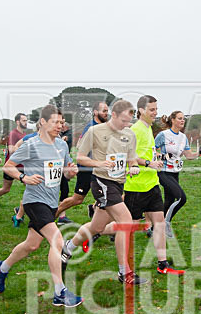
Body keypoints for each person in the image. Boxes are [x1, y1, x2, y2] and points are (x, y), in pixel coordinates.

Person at [0, 105, 82, 306]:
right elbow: (8, 166)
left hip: (51, 202)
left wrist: (71, 171)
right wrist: (24, 178)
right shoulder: (31, 145)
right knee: (57, 240)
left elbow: (65, 173)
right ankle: (59, 291)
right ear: (43, 122)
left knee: (31, 245)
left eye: (61, 122)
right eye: (55, 122)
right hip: (34, 201)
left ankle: (1, 268)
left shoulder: (62, 145)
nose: (60, 126)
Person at [59, 100, 145, 284]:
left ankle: (68, 247)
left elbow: (131, 158)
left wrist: (134, 167)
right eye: (123, 120)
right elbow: (80, 157)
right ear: (114, 115)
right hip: (101, 182)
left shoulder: (129, 134)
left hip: (118, 184)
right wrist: (99, 163)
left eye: (128, 121)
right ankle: (124, 272)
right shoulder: (95, 131)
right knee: (125, 222)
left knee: (96, 227)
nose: (126, 125)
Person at [111, 95, 184, 274]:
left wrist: (155, 159)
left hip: (152, 184)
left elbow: (146, 153)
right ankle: (97, 233)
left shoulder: (148, 128)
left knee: (159, 223)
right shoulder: (135, 130)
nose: (155, 112)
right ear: (141, 110)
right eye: (152, 109)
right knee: (129, 227)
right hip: (136, 187)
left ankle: (163, 264)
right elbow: (127, 155)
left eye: (156, 109)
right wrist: (148, 163)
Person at [55, 101, 109, 220]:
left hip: (100, 168)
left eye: (107, 111)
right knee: (77, 199)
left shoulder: (104, 127)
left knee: (107, 195)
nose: (106, 113)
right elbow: (80, 147)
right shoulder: (91, 128)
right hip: (87, 168)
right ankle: (53, 214)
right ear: (95, 112)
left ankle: (95, 211)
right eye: (104, 111)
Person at [155, 111, 198, 238]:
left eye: (183, 118)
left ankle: (155, 227)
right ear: (173, 120)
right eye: (179, 118)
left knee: (169, 201)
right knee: (181, 198)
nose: (182, 120)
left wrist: (199, 153)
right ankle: (166, 224)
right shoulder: (163, 135)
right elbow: (151, 151)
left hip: (175, 173)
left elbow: (189, 155)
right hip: (163, 172)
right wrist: (163, 156)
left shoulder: (183, 137)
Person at [0, 113, 28, 218]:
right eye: (24, 120)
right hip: (11, 166)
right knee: (6, 189)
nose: (26, 122)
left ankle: (21, 209)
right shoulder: (13, 134)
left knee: (31, 187)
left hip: (22, 166)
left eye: (26, 120)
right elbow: (11, 150)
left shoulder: (25, 135)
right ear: (18, 122)